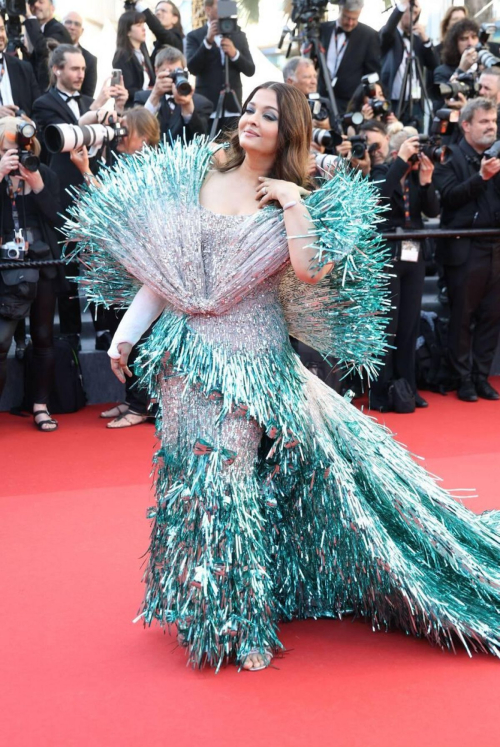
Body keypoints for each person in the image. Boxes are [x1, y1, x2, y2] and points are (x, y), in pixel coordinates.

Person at [67, 80, 500, 672]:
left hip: (254, 367)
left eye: (267, 115)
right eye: (248, 109)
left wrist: (294, 200)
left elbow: (309, 270)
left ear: (288, 130)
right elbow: (165, 271)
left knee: (230, 480)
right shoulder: (201, 173)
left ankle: (238, 622)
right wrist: (123, 336)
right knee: (191, 480)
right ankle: (203, 606)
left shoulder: (299, 198)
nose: (250, 120)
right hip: (185, 361)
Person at [71, 107, 161, 428]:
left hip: (147, 267)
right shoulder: (126, 164)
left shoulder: (151, 168)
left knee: (142, 336)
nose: (120, 134)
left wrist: (85, 171)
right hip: (126, 265)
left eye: (126, 130)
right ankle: (132, 401)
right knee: (129, 334)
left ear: (145, 136)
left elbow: (111, 208)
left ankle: (143, 406)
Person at [32, 44, 128, 347]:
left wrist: (116, 111)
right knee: (68, 262)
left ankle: (103, 328)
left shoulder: (90, 101)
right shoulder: (42, 104)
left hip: (93, 184)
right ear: (57, 69)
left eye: (83, 69)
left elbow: (107, 138)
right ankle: (71, 331)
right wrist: (95, 107)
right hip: (62, 190)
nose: (80, 74)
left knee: (99, 260)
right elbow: (59, 138)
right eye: (74, 68)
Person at [369, 125, 441, 412]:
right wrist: (399, 164)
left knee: (410, 325)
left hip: (414, 256)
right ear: (398, 154)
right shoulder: (382, 173)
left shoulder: (414, 177)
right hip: (387, 256)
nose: (414, 161)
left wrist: (426, 181)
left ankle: (407, 387)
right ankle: (382, 390)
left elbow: (433, 211)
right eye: (410, 155)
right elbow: (378, 200)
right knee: (389, 325)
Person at [433, 97, 500, 402]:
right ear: (466, 126)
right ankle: (463, 379)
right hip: (464, 251)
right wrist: (481, 177)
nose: (491, 127)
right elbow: (448, 198)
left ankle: (481, 376)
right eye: (484, 121)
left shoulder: (496, 157)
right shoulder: (449, 156)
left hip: (494, 248)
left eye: (494, 121)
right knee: (461, 317)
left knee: (491, 316)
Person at [0, 116, 61, 430]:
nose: (19, 154)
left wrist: (38, 187)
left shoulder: (44, 172)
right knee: (1, 340)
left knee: (43, 337)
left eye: (22, 147)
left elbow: (61, 221)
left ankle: (40, 406)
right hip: (5, 267)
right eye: (11, 147)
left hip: (43, 265)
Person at [186, 0, 255, 132]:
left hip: (233, 106)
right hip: (207, 106)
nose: (226, 7)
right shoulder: (195, 36)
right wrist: (207, 42)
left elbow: (250, 70)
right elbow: (192, 68)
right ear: (208, 9)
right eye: (221, 3)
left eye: (227, 3)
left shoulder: (238, 35)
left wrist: (235, 54)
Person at [134, 46, 213, 141]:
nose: (172, 78)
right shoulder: (142, 98)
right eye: (167, 72)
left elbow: (201, 139)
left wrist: (187, 107)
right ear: (156, 71)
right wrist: (155, 96)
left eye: (176, 72)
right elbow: (136, 131)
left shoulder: (201, 103)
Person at [380, 0, 437, 129]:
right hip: (394, 101)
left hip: (415, 102)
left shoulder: (417, 40)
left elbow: (434, 65)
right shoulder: (392, 35)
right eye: (409, 11)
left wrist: (426, 40)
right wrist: (402, 6)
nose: (413, 16)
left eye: (416, 13)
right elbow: (386, 33)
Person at [319, 0, 380, 117]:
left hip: (349, 104)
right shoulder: (322, 29)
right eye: (346, 17)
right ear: (339, 10)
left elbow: (372, 71)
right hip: (322, 100)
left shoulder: (369, 35)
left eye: (355, 19)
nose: (350, 22)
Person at [23, 0, 72, 90]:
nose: (36, 5)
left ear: (52, 8)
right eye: (33, 2)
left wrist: (30, 17)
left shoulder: (58, 30)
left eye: (41, 2)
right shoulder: (38, 30)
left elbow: (43, 49)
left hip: (52, 93)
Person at [0, 16, 40, 119]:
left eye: (1, 29)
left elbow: (39, 110)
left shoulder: (24, 68)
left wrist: (31, 125)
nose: (1, 35)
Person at [112, 9, 155, 106]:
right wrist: (149, 93)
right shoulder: (121, 56)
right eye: (138, 26)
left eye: (143, 25)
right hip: (132, 108)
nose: (143, 29)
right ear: (127, 32)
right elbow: (127, 89)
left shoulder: (144, 53)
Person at [132, 0, 184, 67]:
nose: (158, 13)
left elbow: (159, 30)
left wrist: (138, 3)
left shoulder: (176, 39)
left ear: (175, 19)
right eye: (156, 11)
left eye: (163, 11)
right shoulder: (160, 40)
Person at [63, 11, 98, 98]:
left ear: (82, 31)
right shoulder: (49, 51)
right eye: (68, 22)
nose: (72, 27)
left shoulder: (90, 60)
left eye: (77, 24)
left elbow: (88, 96)